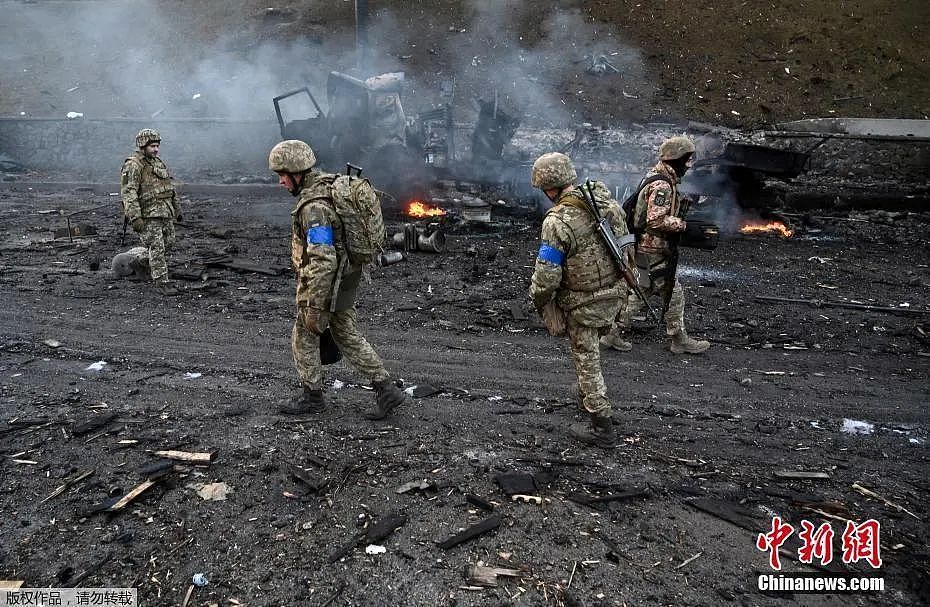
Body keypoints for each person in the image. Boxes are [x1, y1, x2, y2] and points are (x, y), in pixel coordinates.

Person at [268, 139, 406, 419]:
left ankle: (312, 397)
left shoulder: (314, 209)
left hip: (327, 283)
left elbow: (322, 258)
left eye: (283, 175)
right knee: (347, 334)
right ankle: (386, 388)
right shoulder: (329, 185)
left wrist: (314, 302)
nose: (281, 182)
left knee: (304, 335)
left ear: (297, 173)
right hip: (346, 277)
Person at [529, 152, 628, 449]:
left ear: (549, 188)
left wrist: (537, 300)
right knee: (592, 352)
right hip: (615, 294)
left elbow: (547, 275)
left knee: (587, 360)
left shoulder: (557, 221)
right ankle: (588, 397)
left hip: (583, 304)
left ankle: (602, 425)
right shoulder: (608, 205)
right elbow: (627, 249)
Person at [601, 136, 711, 355]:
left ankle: (612, 333)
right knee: (672, 291)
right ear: (677, 159)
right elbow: (655, 219)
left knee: (641, 289)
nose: (688, 167)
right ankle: (678, 339)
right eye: (687, 160)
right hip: (653, 249)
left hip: (643, 247)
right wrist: (683, 225)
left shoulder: (654, 175)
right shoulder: (663, 185)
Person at [120, 128, 182, 296]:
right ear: (142, 146)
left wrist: (177, 209)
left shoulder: (158, 162)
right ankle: (162, 282)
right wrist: (135, 217)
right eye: (152, 146)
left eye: (157, 146)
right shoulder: (133, 165)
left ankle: (141, 263)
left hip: (164, 212)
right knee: (157, 247)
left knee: (169, 243)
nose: (156, 149)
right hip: (148, 214)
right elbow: (129, 192)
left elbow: (169, 187)